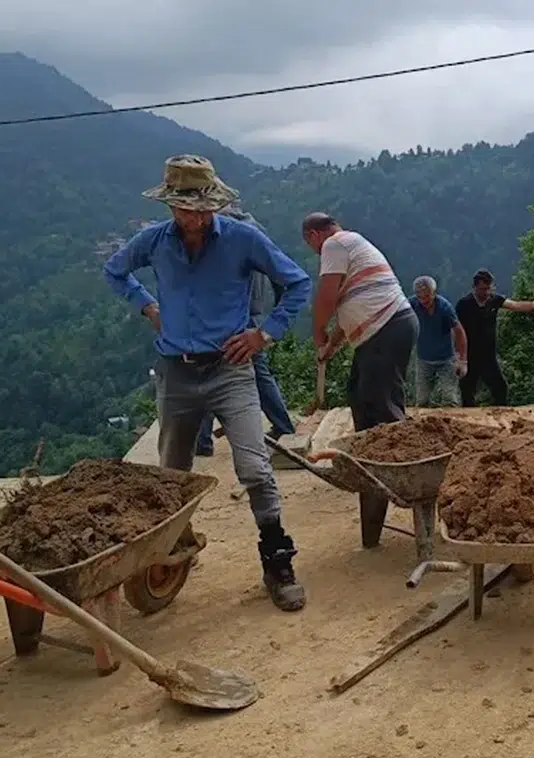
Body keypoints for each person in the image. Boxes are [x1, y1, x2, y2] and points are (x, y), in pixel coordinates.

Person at [103, 155, 311, 612]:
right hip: (176, 371)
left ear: (215, 204)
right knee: (171, 476)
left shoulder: (242, 239)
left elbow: (297, 283)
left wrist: (264, 334)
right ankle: (171, 554)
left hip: (230, 370)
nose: (194, 216)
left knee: (254, 467)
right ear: (170, 207)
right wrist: (146, 306)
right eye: (184, 207)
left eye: (202, 207)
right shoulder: (154, 242)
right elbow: (115, 271)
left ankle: (277, 558)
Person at [304, 212, 418, 548]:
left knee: (380, 408)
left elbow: (326, 297)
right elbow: (352, 305)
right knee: (362, 401)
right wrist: (334, 344)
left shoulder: (336, 244)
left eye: (311, 245)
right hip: (383, 329)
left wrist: (317, 333)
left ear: (314, 235)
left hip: (387, 327)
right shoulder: (353, 246)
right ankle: (374, 482)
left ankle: (411, 473)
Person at [195, 203, 296, 455]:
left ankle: (202, 442)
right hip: (253, 316)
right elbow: (282, 279)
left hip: (225, 317)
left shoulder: (228, 239)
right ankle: (283, 425)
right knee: (259, 374)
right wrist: (274, 320)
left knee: (203, 371)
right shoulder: (256, 235)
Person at [454, 269, 534, 407]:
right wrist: (458, 355)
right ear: (474, 288)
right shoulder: (463, 304)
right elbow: (455, 330)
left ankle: (501, 413)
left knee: (500, 387)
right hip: (469, 354)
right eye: (482, 289)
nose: (486, 293)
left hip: (488, 355)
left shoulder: (494, 300)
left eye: (488, 289)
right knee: (467, 391)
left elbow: (515, 305)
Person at [410, 275, 468, 407]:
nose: (424, 301)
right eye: (420, 297)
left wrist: (462, 360)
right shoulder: (412, 305)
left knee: (450, 398)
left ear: (434, 293)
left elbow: (459, 332)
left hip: (446, 359)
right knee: (422, 400)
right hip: (423, 359)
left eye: (427, 296)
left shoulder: (444, 307)